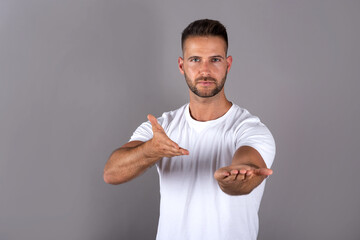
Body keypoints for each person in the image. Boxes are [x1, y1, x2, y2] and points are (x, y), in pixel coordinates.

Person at [104, 19, 276, 240]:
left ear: (228, 64)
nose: (205, 70)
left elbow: (248, 165)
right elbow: (111, 173)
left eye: (215, 59)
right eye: (195, 60)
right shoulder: (162, 129)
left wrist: (236, 178)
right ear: (181, 65)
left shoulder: (250, 128)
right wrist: (150, 150)